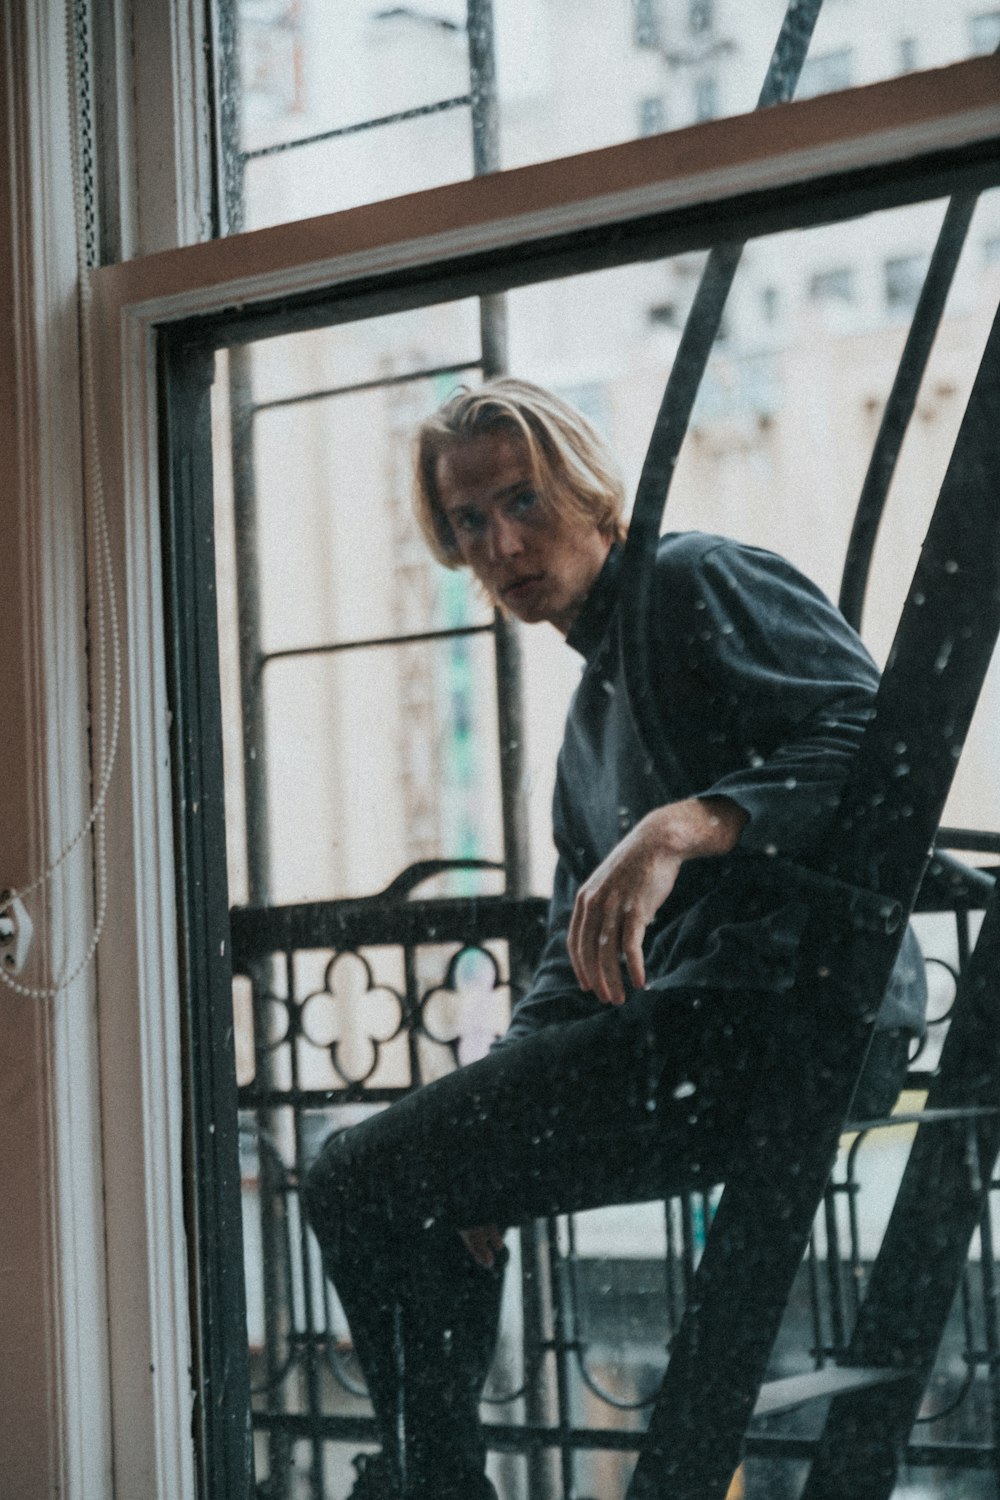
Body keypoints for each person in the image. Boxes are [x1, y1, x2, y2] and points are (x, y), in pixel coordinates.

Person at [302, 379, 926, 1500]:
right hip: (707, 1034)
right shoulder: (590, 726)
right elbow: (565, 970)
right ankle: (432, 1477)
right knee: (376, 1171)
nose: (500, 543)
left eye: (522, 501)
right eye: (468, 522)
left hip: (795, 1013)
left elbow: (878, 745)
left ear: (592, 496)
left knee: (357, 1178)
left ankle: (432, 1483)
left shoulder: (693, 579)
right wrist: (484, 1135)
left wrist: (684, 824)